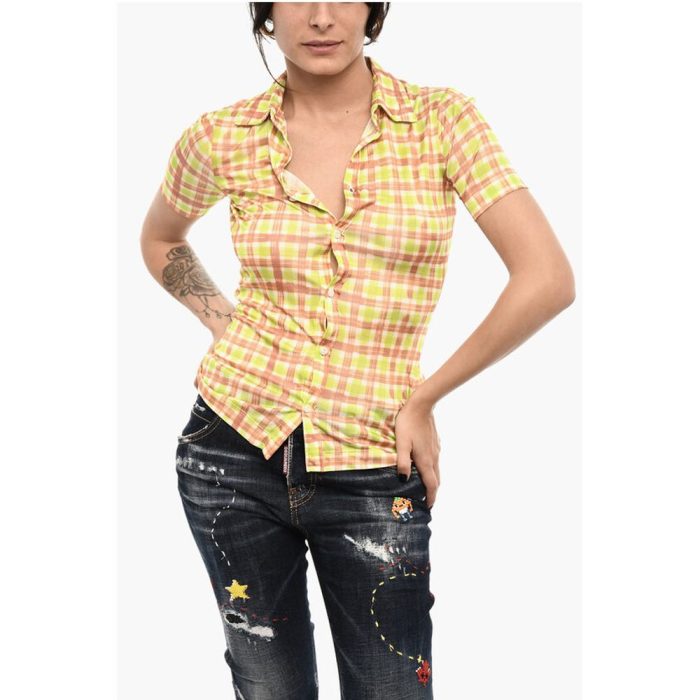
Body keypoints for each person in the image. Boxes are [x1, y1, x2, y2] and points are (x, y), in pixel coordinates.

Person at [140, 3, 575, 698]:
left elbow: (547, 278)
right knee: (268, 687)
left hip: (374, 460)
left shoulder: (443, 122)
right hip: (229, 452)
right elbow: (162, 236)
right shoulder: (222, 135)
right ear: (265, 14)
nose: (321, 17)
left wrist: (425, 397)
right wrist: (224, 323)